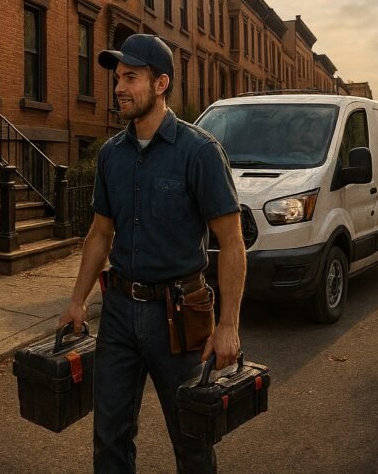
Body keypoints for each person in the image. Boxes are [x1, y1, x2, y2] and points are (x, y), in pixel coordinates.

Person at [59, 34, 246, 473]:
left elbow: (232, 242)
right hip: (120, 313)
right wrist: (77, 300)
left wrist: (229, 326)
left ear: (160, 84)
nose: (119, 87)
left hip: (180, 315)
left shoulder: (199, 152)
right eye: (117, 78)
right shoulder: (111, 156)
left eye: (131, 77)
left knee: (192, 441)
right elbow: (100, 234)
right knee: (110, 440)